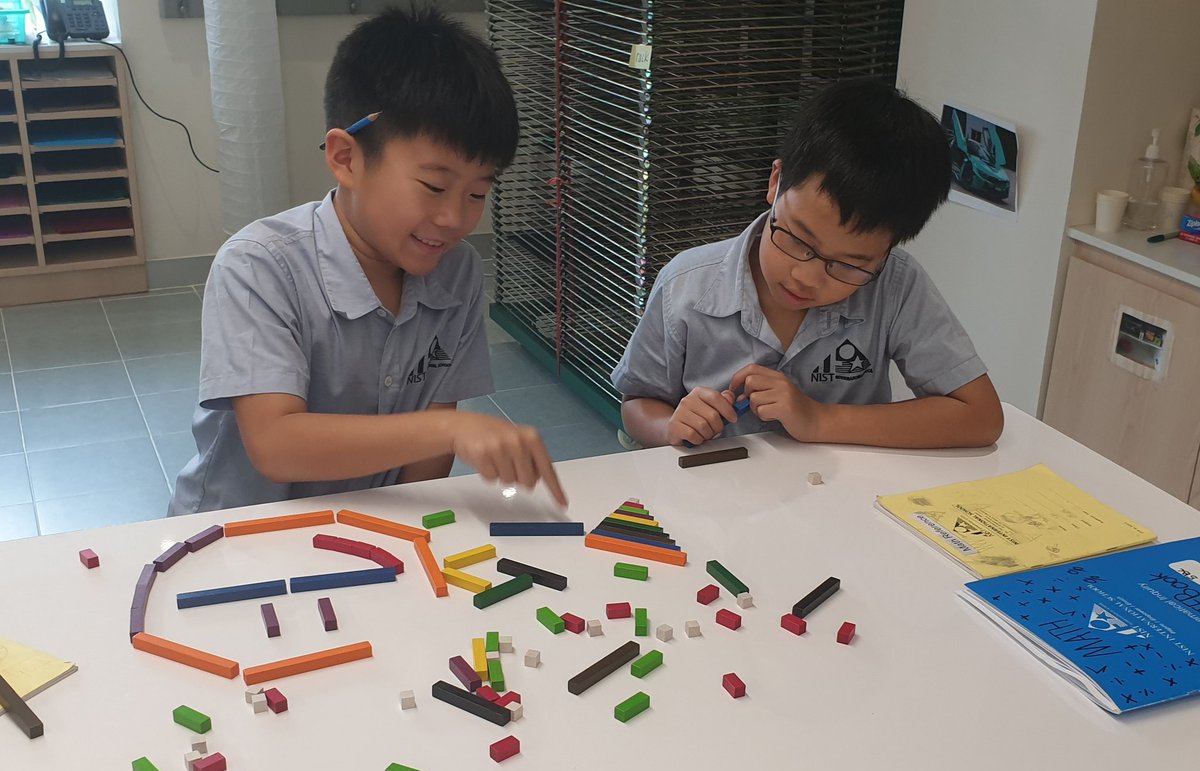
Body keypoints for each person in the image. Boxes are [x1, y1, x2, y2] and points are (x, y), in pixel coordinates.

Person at [170, 5, 566, 515]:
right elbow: (275, 444)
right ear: (346, 158)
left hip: (370, 526)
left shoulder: (458, 272)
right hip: (240, 534)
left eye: (477, 193)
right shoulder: (258, 266)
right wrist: (450, 428)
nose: (454, 218)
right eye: (435, 186)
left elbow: (427, 460)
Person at [612, 78, 1004, 451]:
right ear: (776, 181)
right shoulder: (687, 285)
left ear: (889, 249)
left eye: (849, 265)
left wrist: (818, 420)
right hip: (715, 500)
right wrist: (671, 428)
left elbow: (980, 417)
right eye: (798, 239)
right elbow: (637, 403)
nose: (807, 277)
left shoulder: (896, 285)